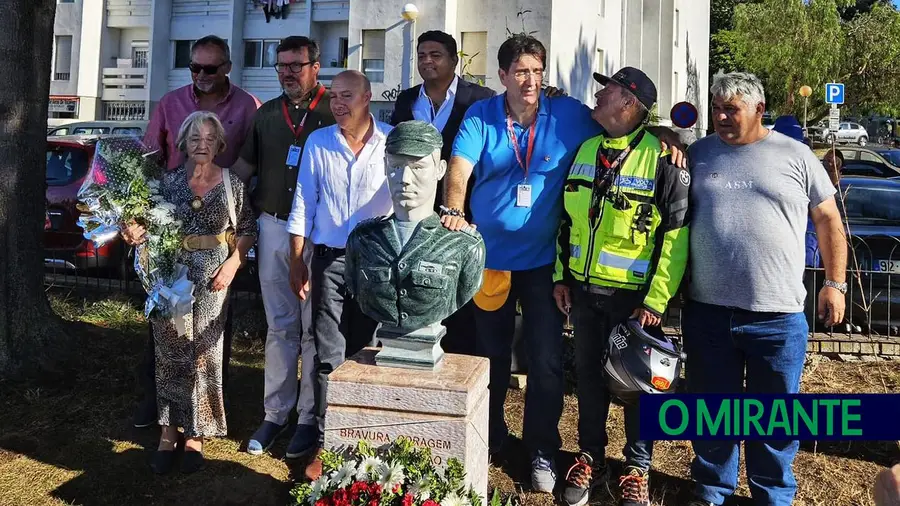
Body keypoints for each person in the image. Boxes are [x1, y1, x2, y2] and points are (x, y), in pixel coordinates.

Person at [440, 33, 686, 493]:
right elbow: (459, 168)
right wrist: (454, 210)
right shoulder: (481, 116)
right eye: (520, 72)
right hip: (489, 262)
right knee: (488, 357)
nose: (530, 81)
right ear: (502, 77)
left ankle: (541, 451)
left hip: (543, 269)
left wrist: (663, 134)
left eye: (536, 71)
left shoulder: (570, 114)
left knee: (548, 362)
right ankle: (489, 437)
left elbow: (624, 129)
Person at [682, 72, 847, 506]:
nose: (720, 116)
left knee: (774, 418)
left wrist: (835, 283)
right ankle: (711, 490)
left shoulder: (796, 156)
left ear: (758, 109)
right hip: (707, 312)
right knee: (713, 411)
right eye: (716, 108)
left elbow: (829, 220)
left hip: (777, 317)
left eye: (730, 109)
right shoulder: (697, 154)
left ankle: (772, 495)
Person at [552, 67, 690, 506]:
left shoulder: (666, 160)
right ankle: (589, 458)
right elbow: (566, 222)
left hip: (635, 302)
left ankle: (637, 468)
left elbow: (675, 236)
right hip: (585, 294)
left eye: (606, 89)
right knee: (590, 380)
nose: (597, 93)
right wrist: (561, 276)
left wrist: (656, 299)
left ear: (629, 103)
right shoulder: (586, 150)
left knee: (638, 387)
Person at [135, 35, 260, 429]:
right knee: (165, 332)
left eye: (210, 68)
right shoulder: (169, 104)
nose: (202, 75)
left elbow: (254, 158)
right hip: (171, 227)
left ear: (227, 67)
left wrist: (227, 190)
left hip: (217, 227)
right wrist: (135, 216)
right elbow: (148, 159)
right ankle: (162, 412)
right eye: (195, 67)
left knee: (210, 340)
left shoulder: (248, 106)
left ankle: (201, 421)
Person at [121, 111, 257, 474]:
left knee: (204, 354)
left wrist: (232, 264)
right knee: (169, 353)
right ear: (182, 143)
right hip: (171, 276)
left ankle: (196, 433)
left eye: (210, 139)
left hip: (214, 279)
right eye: (195, 138)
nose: (202, 145)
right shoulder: (165, 184)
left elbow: (247, 229)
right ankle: (168, 432)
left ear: (220, 145)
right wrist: (131, 230)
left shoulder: (231, 184)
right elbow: (141, 222)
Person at [286, 70, 392, 480]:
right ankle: (331, 442)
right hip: (328, 262)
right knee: (328, 353)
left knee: (370, 352)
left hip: (375, 263)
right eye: (334, 98)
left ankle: (369, 440)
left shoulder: (391, 142)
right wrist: (297, 260)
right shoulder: (318, 142)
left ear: (368, 97)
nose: (338, 104)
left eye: (347, 96)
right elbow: (303, 205)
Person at [232, 36, 334, 458]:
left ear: (316, 65)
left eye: (297, 65)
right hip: (273, 226)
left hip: (319, 234)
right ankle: (275, 412)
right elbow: (242, 169)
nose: (289, 73)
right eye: (281, 66)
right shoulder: (267, 115)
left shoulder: (335, 109)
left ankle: (309, 418)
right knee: (280, 326)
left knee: (315, 330)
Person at [389, 30, 495, 356]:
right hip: (416, 213)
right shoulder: (407, 100)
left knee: (458, 288)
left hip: (463, 213)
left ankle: (461, 361)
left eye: (435, 55)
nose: (427, 61)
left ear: (453, 59)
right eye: (421, 55)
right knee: (420, 287)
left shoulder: (480, 99)